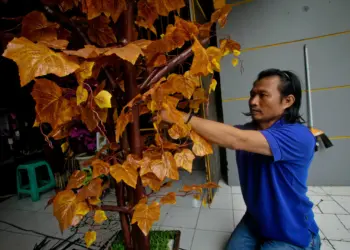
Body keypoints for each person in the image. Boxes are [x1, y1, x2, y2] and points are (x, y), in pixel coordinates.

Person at [160, 69, 321, 250]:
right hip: (256, 220)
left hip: (291, 231)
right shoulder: (248, 130)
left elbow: (236, 139)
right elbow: (222, 135)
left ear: (287, 101)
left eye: (263, 95)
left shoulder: (298, 135)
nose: (253, 101)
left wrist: (181, 117)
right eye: (252, 94)